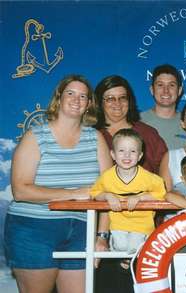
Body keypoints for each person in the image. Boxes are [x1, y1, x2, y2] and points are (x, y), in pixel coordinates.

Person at [4, 75, 112, 293]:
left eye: (83, 96)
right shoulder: (35, 136)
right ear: (58, 98)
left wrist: (102, 236)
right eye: (70, 93)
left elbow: (109, 190)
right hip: (34, 228)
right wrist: (74, 194)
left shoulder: (96, 138)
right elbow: (21, 191)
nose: (76, 99)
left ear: (89, 104)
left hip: (83, 229)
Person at [94, 75, 167, 293]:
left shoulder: (147, 134)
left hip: (143, 228)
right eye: (109, 99)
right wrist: (101, 236)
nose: (117, 104)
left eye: (122, 98)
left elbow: (164, 182)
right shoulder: (92, 135)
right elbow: (99, 189)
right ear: (99, 102)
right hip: (103, 229)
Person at [90, 129, 166, 268]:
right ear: (112, 154)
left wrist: (140, 197)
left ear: (140, 155)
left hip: (142, 227)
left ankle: (131, 262)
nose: (127, 155)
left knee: (134, 247)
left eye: (132, 151)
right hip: (118, 225)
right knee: (121, 246)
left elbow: (161, 193)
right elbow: (95, 193)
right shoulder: (107, 177)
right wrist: (107, 196)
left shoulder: (148, 177)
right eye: (121, 151)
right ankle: (126, 260)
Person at [141, 64, 186, 149]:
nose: (166, 91)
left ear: (179, 91)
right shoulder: (138, 122)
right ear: (152, 90)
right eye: (160, 85)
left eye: (171, 85)